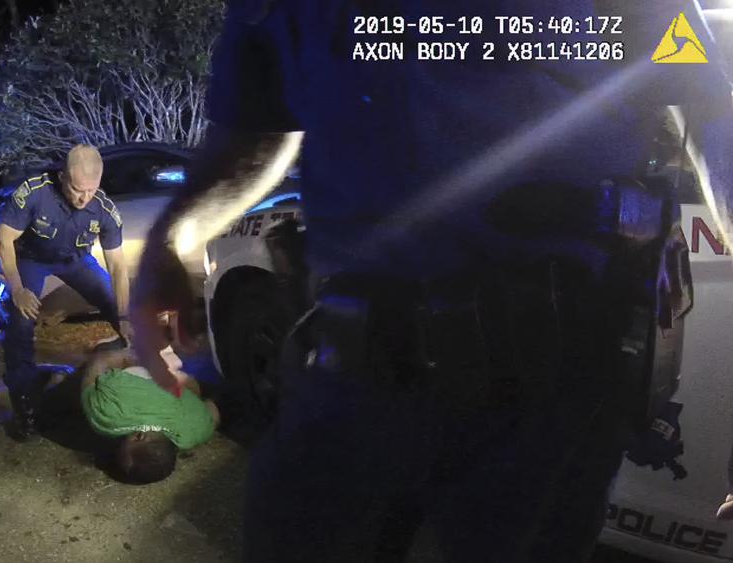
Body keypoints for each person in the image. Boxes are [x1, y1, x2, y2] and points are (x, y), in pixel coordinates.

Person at [131, 1, 731, 561]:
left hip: (546, 407)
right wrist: (172, 237)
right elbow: (258, 129)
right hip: (345, 385)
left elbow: (715, 117)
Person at [0, 144, 133, 440]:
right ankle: (25, 405)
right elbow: (3, 241)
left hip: (76, 261)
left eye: (91, 190)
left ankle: (139, 378)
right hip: (32, 259)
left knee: (120, 308)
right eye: (76, 189)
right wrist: (17, 288)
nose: (84, 198)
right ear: (62, 177)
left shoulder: (104, 208)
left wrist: (123, 315)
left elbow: (119, 269)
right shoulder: (34, 192)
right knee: (20, 322)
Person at [79, 341, 220, 484]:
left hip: (178, 374)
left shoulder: (196, 434)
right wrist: (129, 355)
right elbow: (97, 365)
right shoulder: (102, 418)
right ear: (139, 436)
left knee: (193, 390)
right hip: (140, 366)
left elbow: (212, 408)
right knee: (105, 353)